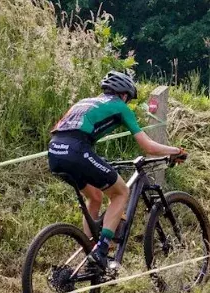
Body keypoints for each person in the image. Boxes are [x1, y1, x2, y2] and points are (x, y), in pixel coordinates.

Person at [48, 71, 187, 269]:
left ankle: (89, 251)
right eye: (128, 99)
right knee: (121, 192)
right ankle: (102, 251)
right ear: (124, 95)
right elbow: (148, 147)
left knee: (95, 197)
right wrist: (176, 151)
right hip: (77, 151)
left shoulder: (85, 102)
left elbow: (72, 131)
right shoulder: (120, 106)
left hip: (55, 151)